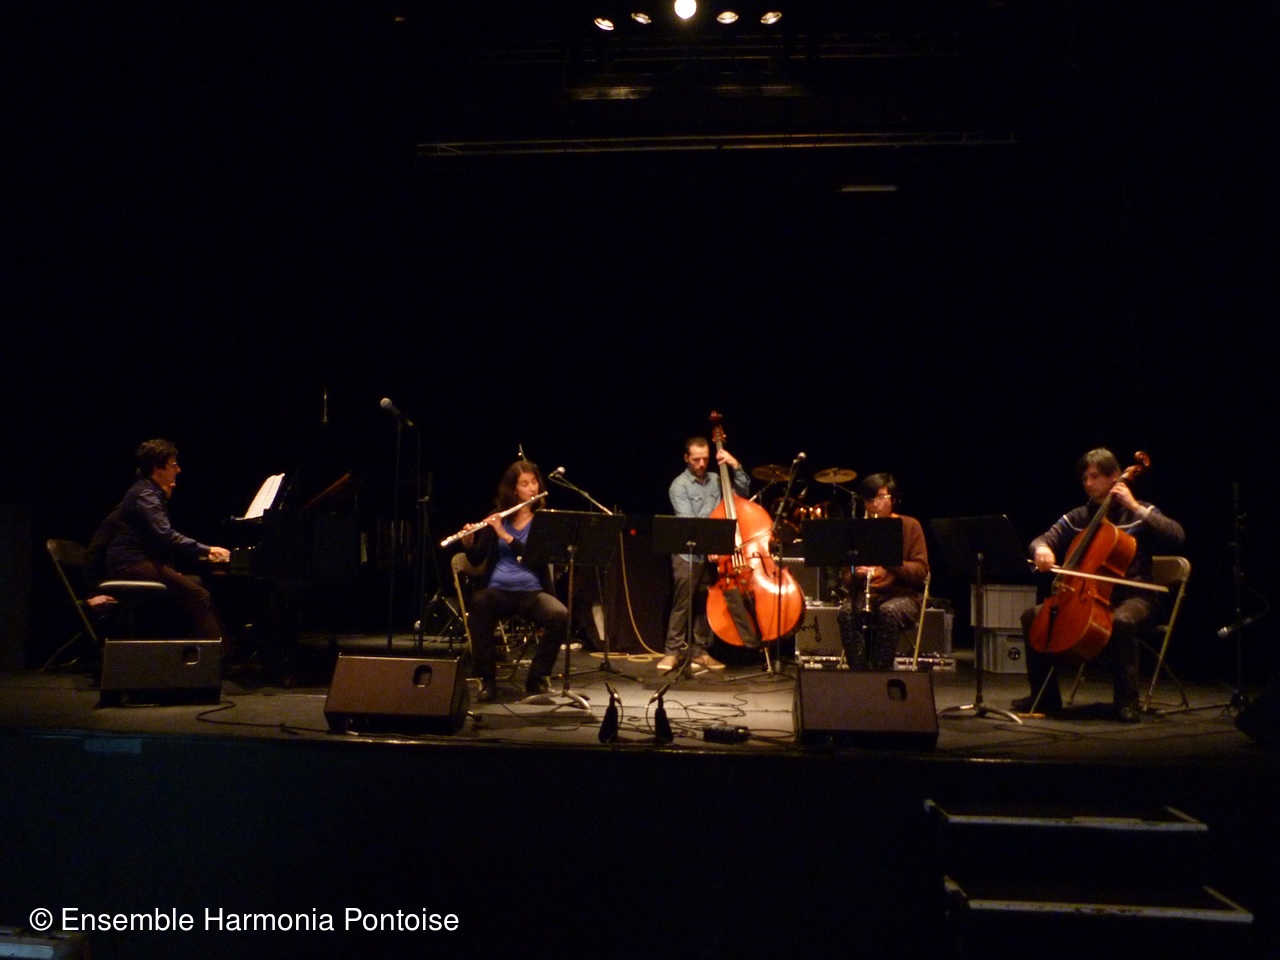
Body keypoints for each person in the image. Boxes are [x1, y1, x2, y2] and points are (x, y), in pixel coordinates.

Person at [1014, 448, 1186, 724]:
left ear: (1115, 476)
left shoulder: (1139, 511)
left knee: (1121, 621)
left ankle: (1127, 701)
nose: (1088, 483)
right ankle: (1044, 697)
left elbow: (1176, 536)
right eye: (1084, 478)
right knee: (1031, 616)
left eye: (1094, 477)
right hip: (1088, 596)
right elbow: (1042, 539)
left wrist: (1135, 506)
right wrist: (1042, 549)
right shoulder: (1079, 517)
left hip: (1136, 597)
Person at [99, 439, 230, 640]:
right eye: (173, 464)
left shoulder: (149, 492)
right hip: (130, 564)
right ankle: (216, 654)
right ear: (158, 469)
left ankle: (207, 646)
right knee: (199, 595)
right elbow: (166, 535)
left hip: (136, 563)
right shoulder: (146, 494)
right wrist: (207, 549)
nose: (178, 469)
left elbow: (158, 540)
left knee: (197, 584)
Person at [462, 460, 569, 702]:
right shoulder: (497, 517)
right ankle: (487, 680)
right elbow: (477, 559)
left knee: (559, 615)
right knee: (479, 603)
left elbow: (535, 557)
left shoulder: (542, 520)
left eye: (534, 482)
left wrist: (506, 536)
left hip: (532, 592)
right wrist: (468, 543)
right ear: (513, 490)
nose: (532, 488)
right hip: (498, 591)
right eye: (525, 484)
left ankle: (537, 677)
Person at [658, 436, 750, 673]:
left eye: (705, 459)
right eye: (696, 459)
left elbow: (742, 492)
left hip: (714, 553)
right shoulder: (679, 486)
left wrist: (735, 465)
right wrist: (710, 545)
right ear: (686, 458)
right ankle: (672, 651)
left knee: (704, 603)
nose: (701, 464)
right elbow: (691, 522)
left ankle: (700, 651)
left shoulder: (717, 480)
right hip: (688, 554)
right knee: (683, 603)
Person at [836, 473, 929, 670]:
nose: (874, 504)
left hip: (903, 595)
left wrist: (889, 561)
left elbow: (921, 571)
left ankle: (881, 673)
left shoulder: (910, 526)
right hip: (867, 594)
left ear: (893, 500)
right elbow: (845, 577)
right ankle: (858, 672)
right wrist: (856, 574)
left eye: (880, 497)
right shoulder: (859, 529)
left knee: (889, 611)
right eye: (869, 499)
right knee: (846, 613)